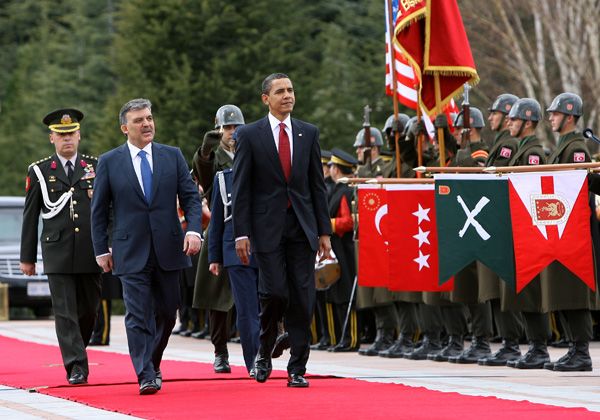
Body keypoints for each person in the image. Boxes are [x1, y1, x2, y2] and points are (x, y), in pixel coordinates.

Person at [91, 98, 203, 395]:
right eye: (139, 120)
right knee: (137, 314)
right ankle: (145, 373)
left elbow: (191, 198)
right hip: (129, 250)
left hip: (168, 248)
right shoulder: (110, 161)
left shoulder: (173, 156)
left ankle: (151, 362)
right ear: (124, 128)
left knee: (168, 313)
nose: (147, 124)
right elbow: (99, 211)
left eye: (150, 118)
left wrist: (193, 230)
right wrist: (101, 249)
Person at [231, 73, 332, 388]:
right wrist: (241, 232)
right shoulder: (249, 135)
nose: (287, 95)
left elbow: (317, 186)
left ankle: (296, 368)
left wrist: (324, 232)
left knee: (303, 298)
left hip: (302, 227)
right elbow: (241, 187)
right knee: (274, 292)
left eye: (290, 90)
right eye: (280, 91)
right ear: (266, 98)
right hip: (266, 228)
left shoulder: (308, 133)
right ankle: (264, 348)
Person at [20, 108, 101, 385]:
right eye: (60, 134)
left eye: (71, 134)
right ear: (51, 139)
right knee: (65, 312)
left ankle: (78, 350)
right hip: (57, 251)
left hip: (91, 250)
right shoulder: (40, 171)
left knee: (90, 311)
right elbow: (30, 216)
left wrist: (111, 246)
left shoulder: (95, 167)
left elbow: (108, 211)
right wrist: (27, 258)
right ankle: (76, 366)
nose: (67, 139)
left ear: (79, 136)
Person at [541, 92, 597, 371]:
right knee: (561, 292)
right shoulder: (560, 147)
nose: (550, 117)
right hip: (558, 230)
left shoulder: (576, 148)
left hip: (572, 233)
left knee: (573, 293)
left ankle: (581, 352)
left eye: (555, 113)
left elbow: (573, 189)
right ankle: (574, 347)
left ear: (570, 117)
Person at [191, 105, 243, 373]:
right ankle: (220, 351)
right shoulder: (214, 155)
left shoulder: (248, 150)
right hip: (221, 229)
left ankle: (260, 346)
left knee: (257, 291)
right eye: (228, 127)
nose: (232, 132)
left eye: (236, 127)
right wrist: (206, 152)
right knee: (217, 299)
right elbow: (203, 172)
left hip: (249, 228)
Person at [208, 166, 260, 376]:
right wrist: (215, 257)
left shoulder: (268, 170)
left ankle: (273, 339)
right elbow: (217, 221)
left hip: (270, 247)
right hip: (236, 252)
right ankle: (256, 359)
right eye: (229, 129)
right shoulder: (223, 178)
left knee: (275, 300)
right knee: (247, 309)